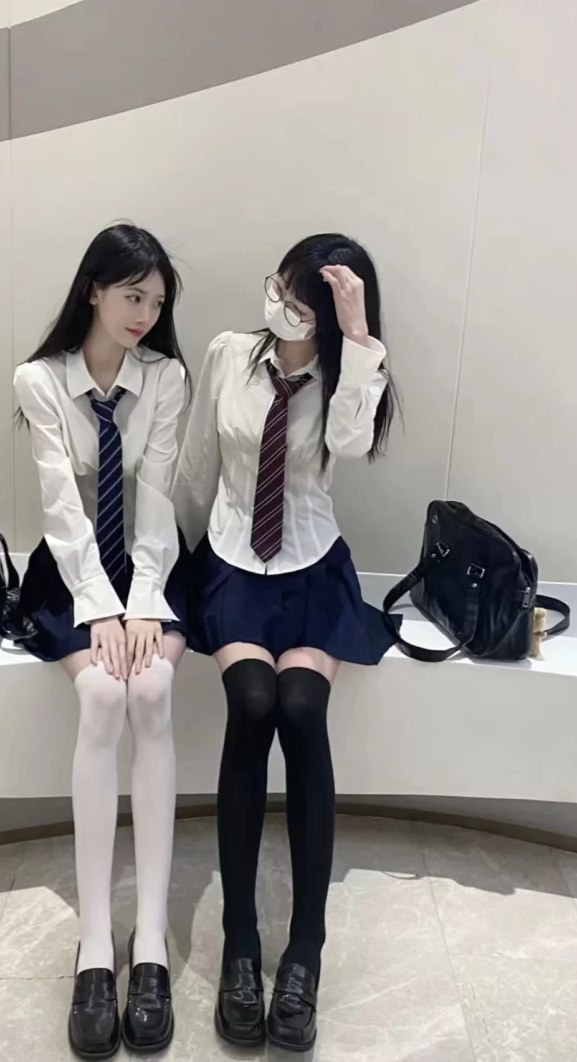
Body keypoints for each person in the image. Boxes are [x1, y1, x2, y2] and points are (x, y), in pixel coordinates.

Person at [172, 233, 400, 1053]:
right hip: (233, 561)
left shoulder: (348, 378)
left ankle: (305, 950)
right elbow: (197, 464)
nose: (281, 307)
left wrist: (359, 336)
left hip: (311, 567)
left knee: (302, 709)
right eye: (279, 288)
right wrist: (170, 573)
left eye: (302, 303)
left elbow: (350, 446)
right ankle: (240, 941)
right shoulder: (228, 354)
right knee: (253, 701)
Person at [14, 223, 190, 1059]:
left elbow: (158, 497)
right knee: (101, 698)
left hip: (150, 568)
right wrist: (99, 609)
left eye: (156, 301)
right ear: (94, 289)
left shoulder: (167, 378)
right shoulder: (40, 381)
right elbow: (61, 508)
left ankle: (149, 939)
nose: (144, 314)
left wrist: (144, 598)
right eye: (131, 295)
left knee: (150, 690)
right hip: (71, 571)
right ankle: (94, 943)